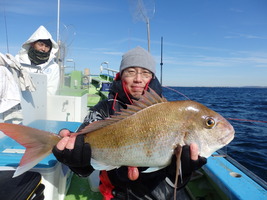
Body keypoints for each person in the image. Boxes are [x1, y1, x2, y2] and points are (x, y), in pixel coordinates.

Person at [52, 46, 207, 199]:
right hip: (115, 194)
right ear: (121, 75)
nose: (138, 79)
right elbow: (83, 162)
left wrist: (182, 170)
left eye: (145, 73)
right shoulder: (103, 110)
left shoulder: (167, 111)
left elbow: (176, 183)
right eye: (131, 72)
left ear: (152, 78)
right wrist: (74, 160)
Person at [15, 25, 59, 95]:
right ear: (32, 44)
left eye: (47, 46)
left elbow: (51, 91)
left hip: (41, 103)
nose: (43, 49)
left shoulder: (53, 67)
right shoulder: (18, 60)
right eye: (40, 44)